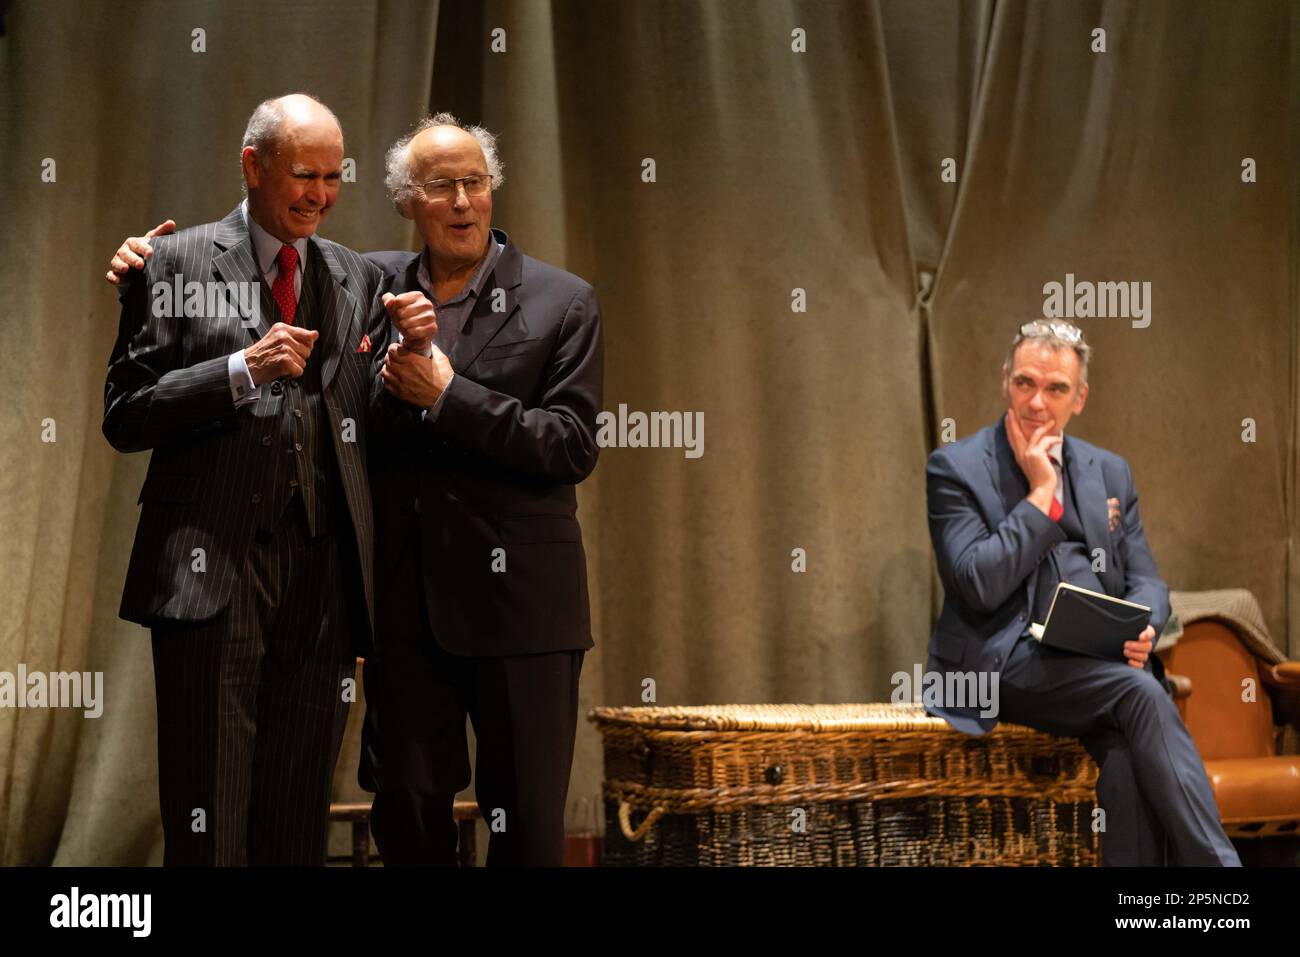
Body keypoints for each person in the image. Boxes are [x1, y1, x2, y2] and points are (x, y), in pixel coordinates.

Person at [107, 112, 603, 867]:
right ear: (408, 200)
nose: (464, 200)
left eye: (476, 182)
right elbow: (144, 390)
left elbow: (569, 444)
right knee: (398, 814)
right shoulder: (357, 279)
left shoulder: (554, 299)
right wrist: (151, 272)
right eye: (443, 186)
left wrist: (447, 393)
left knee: (520, 825)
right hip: (387, 610)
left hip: (515, 610)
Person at [102, 93, 386, 865]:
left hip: (324, 575)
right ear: (252, 165)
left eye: (333, 177)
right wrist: (237, 370)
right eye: (303, 174)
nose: (320, 195)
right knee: (208, 802)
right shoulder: (170, 262)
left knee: (296, 808)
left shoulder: (354, 274)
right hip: (210, 565)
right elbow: (124, 415)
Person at [923, 319, 1239, 866]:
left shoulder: (1108, 471)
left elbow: (1146, 578)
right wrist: (1043, 496)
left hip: (1094, 663)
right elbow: (977, 583)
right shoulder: (957, 468)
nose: (1037, 402)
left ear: (1081, 397)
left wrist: (1142, 627)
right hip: (1000, 663)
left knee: (1125, 756)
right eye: (1025, 383)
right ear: (1004, 381)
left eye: (1056, 388)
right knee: (1142, 695)